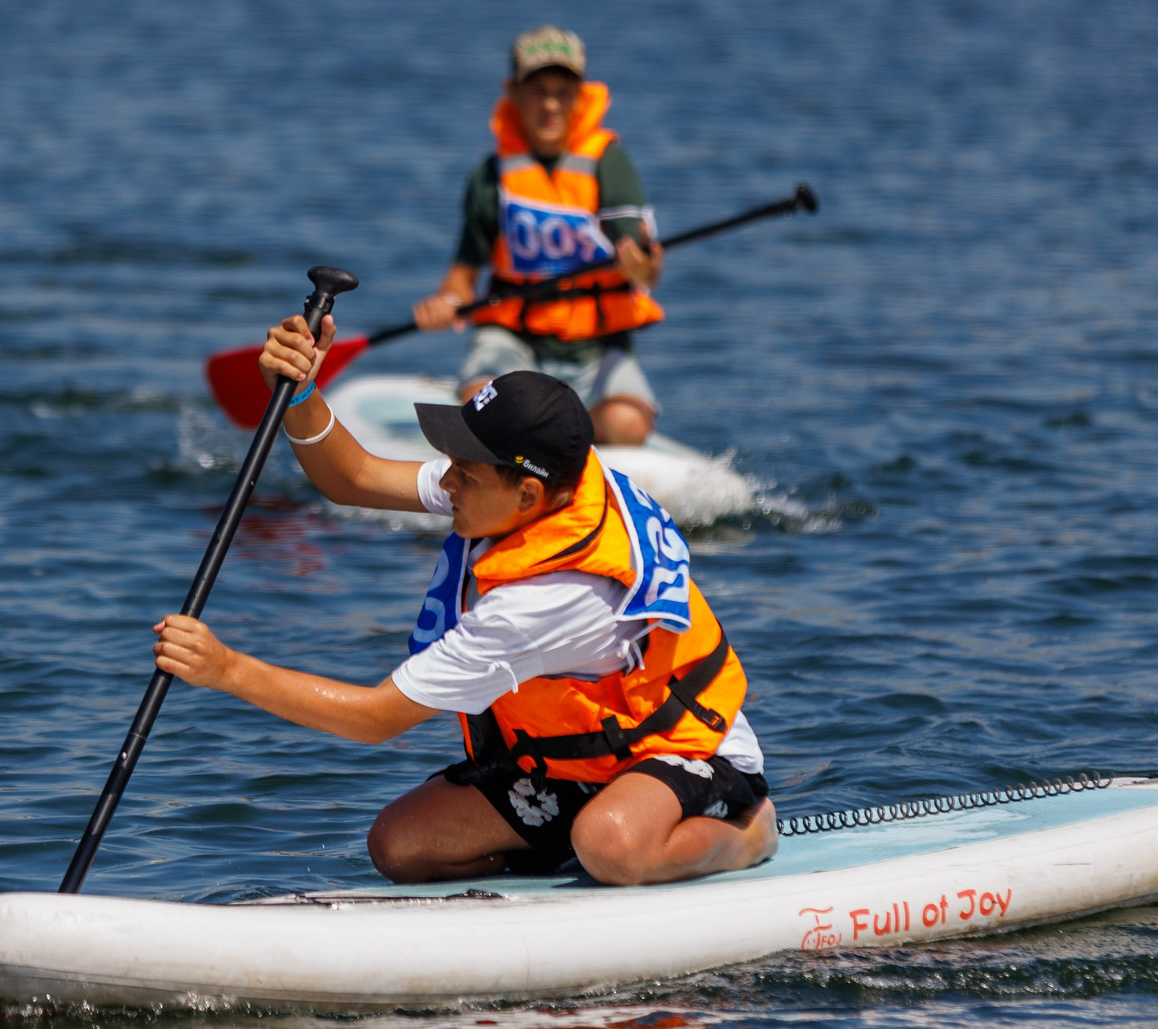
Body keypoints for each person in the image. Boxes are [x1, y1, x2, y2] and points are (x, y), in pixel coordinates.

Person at [149, 319, 777, 887]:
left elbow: (376, 719)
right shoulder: (550, 480)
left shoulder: (549, 599)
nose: (446, 482)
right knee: (402, 845)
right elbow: (354, 478)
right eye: (451, 463)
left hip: (692, 754)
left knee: (610, 845)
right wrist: (303, 394)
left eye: (465, 474)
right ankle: (576, 842)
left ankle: (745, 837)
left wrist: (226, 670)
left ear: (528, 497)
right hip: (584, 760)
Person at [411, 27, 668, 446]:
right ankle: (519, 421)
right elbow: (462, 278)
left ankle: (554, 431)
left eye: (563, 91)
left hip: (594, 347)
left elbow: (643, 265)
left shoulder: (609, 164)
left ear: (580, 95)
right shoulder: (490, 177)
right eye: (537, 91)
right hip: (513, 341)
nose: (550, 104)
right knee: (483, 404)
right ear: (511, 91)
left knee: (628, 425)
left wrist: (645, 268)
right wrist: (446, 305)